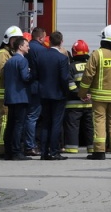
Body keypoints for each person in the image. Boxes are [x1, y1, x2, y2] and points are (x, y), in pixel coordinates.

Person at [78, 24, 111, 160]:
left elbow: (88, 76)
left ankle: (99, 152)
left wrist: (82, 92)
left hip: (99, 97)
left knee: (99, 121)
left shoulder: (97, 54)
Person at [36, 31, 76, 161]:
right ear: (61, 42)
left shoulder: (41, 56)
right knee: (56, 124)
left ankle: (44, 152)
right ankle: (54, 151)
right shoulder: (62, 58)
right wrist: (67, 92)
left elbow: (37, 75)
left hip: (43, 94)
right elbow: (64, 78)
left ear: (50, 41)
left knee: (45, 123)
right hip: (58, 95)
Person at [0, 26, 24, 158]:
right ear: (7, 39)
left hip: (8, 93)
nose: (16, 41)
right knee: (3, 121)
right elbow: (3, 71)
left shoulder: (10, 54)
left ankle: (4, 147)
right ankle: (0, 149)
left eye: (18, 39)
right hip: (3, 93)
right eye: (14, 39)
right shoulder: (2, 54)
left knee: (6, 121)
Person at [3, 36, 33, 161]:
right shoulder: (22, 61)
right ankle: (16, 151)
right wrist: (32, 73)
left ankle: (9, 151)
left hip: (10, 96)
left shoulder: (9, 61)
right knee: (19, 125)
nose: (28, 47)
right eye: (26, 45)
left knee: (10, 124)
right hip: (20, 97)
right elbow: (25, 77)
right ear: (20, 47)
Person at [63, 39, 94, 155]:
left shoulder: (70, 67)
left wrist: (80, 95)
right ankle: (92, 148)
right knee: (90, 127)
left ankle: (72, 148)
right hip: (89, 102)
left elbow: (70, 85)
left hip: (73, 104)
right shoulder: (91, 66)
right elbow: (95, 82)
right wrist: (89, 94)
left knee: (72, 126)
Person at [24, 26, 48, 157]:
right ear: (40, 37)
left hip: (26, 86)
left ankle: (27, 143)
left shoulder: (26, 48)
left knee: (27, 116)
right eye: (44, 37)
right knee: (32, 117)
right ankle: (30, 145)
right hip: (38, 87)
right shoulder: (42, 50)